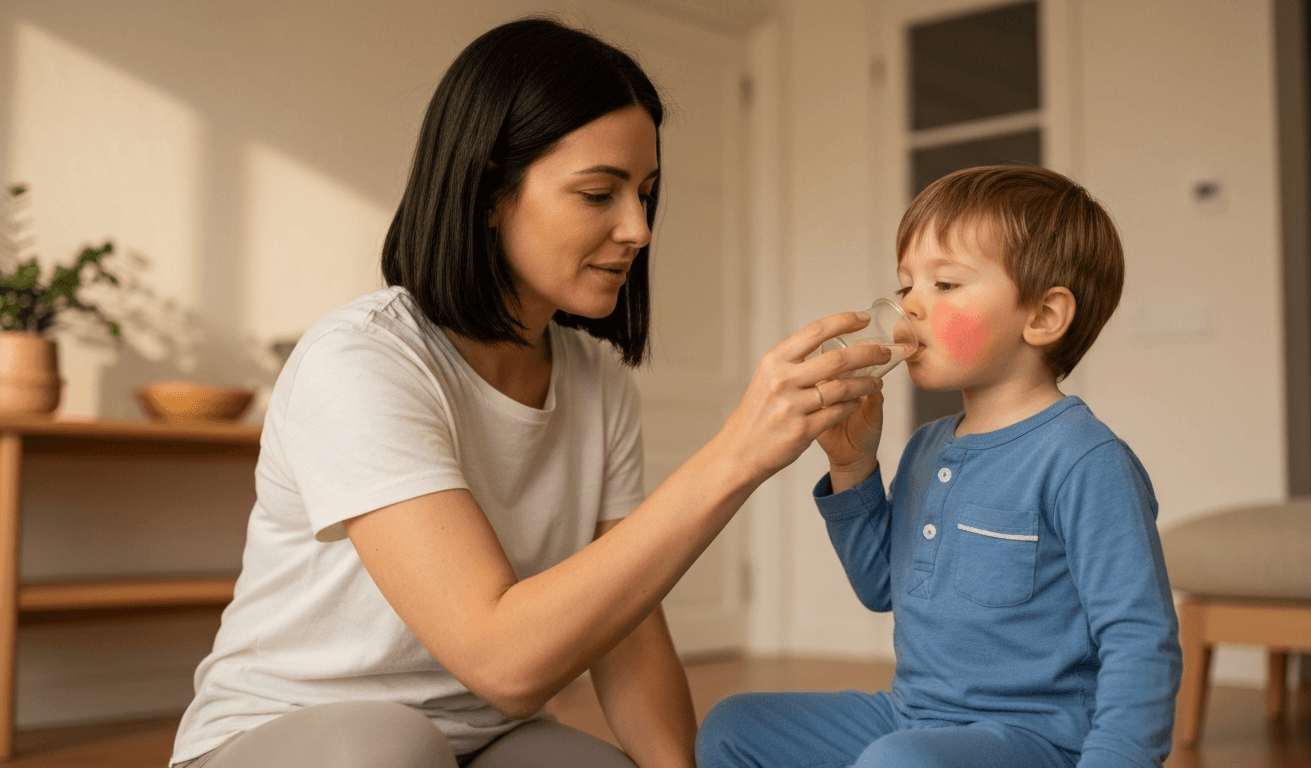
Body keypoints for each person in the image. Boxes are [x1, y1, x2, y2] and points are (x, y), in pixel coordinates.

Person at [169, 17, 889, 768]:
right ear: (488, 192)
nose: (639, 228)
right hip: (286, 732)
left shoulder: (596, 382)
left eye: (644, 193)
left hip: (481, 737)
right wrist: (737, 454)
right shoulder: (361, 361)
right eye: (598, 193)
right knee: (388, 748)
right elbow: (504, 663)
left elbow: (629, 631)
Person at [696, 165, 1182, 768]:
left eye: (945, 284)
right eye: (905, 287)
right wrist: (853, 466)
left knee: (900, 763)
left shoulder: (1085, 461)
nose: (909, 308)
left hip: (1038, 739)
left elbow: (1140, 640)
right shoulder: (930, 447)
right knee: (733, 727)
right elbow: (881, 587)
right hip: (915, 716)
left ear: (1043, 317)